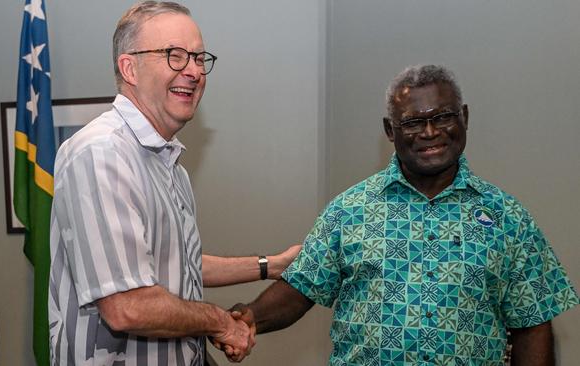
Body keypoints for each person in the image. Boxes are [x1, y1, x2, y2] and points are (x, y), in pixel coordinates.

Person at [229, 65, 579, 365]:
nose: (430, 133)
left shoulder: (507, 217)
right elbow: (301, 287)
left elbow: (532, 323)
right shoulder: (349, 209)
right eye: (413, 122)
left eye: (442, 117)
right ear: (389, 130)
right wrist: (249, 317)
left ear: (465, 118)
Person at [48, 2, 299, 365]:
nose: (194, 71)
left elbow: (178, 266)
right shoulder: (102, 153)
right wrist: (219, 323)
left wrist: (271, 265)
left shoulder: (170, 165)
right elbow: (128, 306)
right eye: (175, 56)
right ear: (129, 68)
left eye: (199, 58)